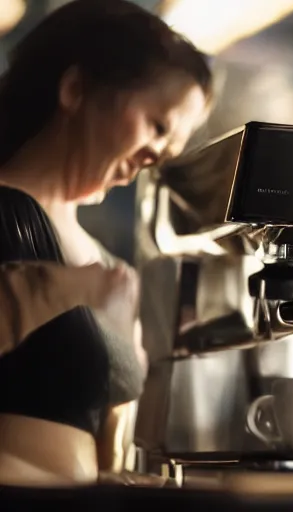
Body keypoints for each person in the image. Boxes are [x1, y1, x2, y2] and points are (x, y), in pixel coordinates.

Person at [0, 0, 212, 486]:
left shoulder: (108, 264)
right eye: (157, 125)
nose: (156, 156)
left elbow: (107, 449)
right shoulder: (7, 214)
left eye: (171, 147)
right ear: (76, 88)